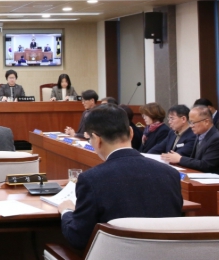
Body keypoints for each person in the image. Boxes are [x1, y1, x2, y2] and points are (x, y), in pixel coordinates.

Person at [58, 104, 183, 251]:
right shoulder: (170, 173)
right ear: (131, 132)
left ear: (97, 139)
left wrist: (66, 212)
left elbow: (78, 238)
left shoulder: (91, 179)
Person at [161, 105, 219, 173]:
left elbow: (206, 165)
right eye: (190, 122)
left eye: (193, 123)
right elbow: (194, 159)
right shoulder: (199, 135)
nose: (191, 126)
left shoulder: (216, 138)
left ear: (206, 122)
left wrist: (180, 159)